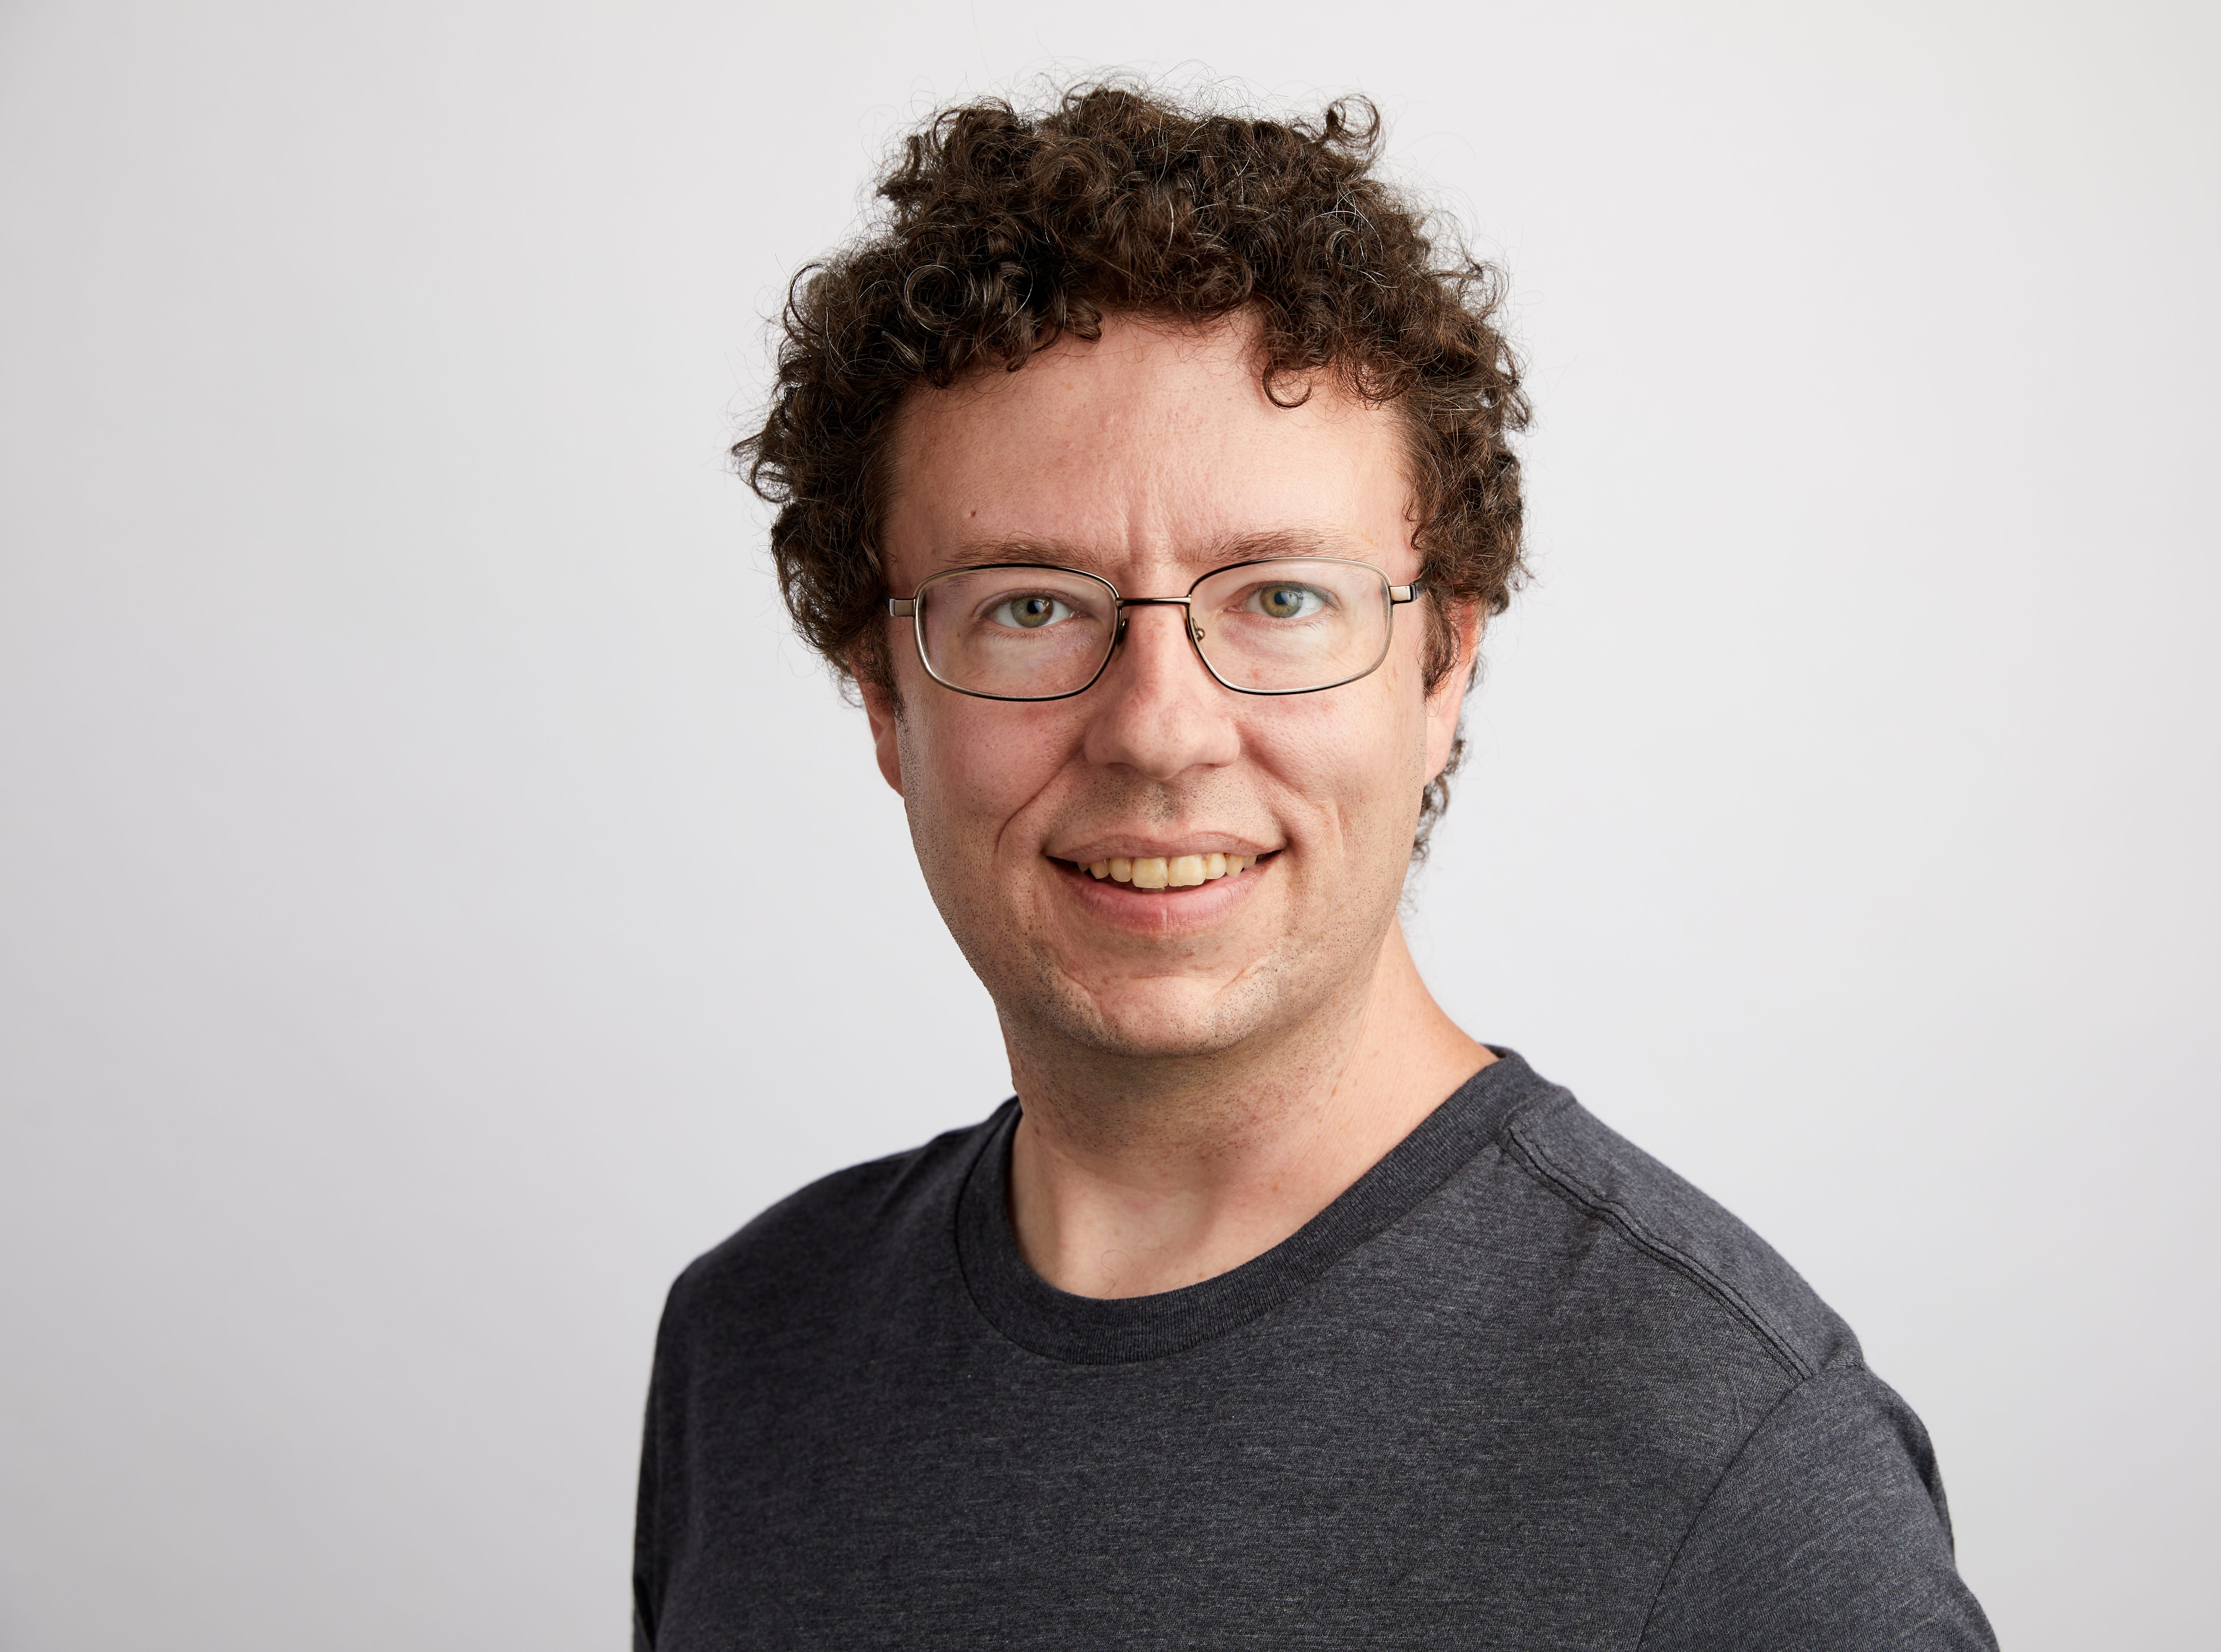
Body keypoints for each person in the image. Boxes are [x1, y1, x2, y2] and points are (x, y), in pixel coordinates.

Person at [632, 84, 1998, 1651]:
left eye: (1277, 600)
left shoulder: (1726, 1458)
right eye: (1028, 605)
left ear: (1440, 669)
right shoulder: (752, 1347)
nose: (1157, 731)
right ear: (883, 696)